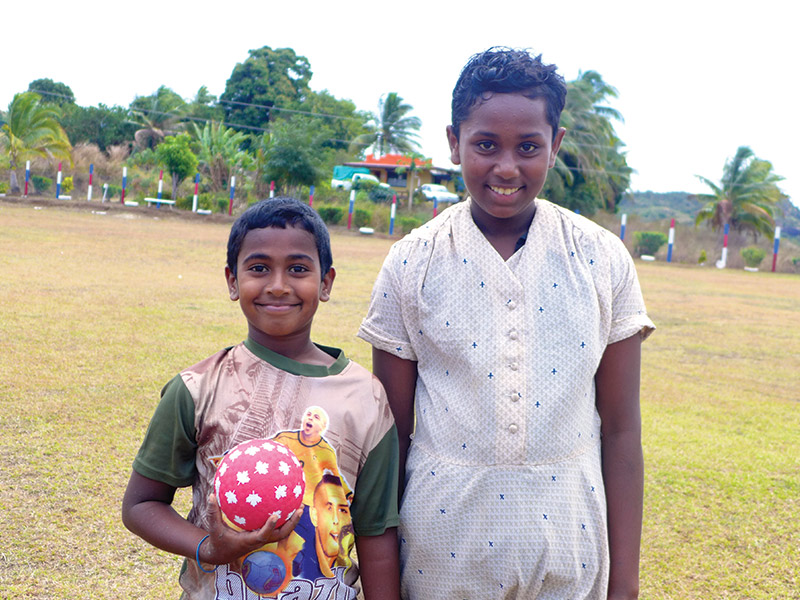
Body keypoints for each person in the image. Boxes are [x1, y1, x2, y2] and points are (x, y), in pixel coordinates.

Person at [358, 47, 655, 600]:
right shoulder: (411, 262)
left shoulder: (600, 258)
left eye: (528, 147)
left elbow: (620, 432)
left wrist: (626, 584)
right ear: (454, 142)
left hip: (569, 546)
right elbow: (390, 440)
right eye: (485, 145)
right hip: (441, 553)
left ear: (556, 146)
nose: (506, 167)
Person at [122, 197, 401, 600]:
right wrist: (209, 548)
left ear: (326, 283)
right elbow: (141, 505)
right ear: (232, 281)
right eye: (258, 268)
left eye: (299, 269)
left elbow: (377, 534)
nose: (278, 285)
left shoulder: (366, 397)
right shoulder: (197, 388)